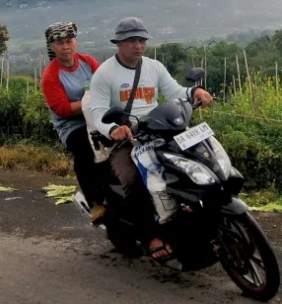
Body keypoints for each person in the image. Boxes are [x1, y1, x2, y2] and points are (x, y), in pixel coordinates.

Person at [89, 17, 213, 261]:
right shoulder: (104, 74)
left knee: (198, 163)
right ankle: (150, 236)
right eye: (132, 40)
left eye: (142, 40)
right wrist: (114, 129)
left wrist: (194, 92)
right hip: (126, 141)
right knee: (135, 182)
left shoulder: (154, 67)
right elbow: (97, 112)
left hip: (160, 132)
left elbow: (175, 91)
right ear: (119, 43)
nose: (138, 45)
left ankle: (196, 219)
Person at [40, 21, 107, 224]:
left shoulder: (87, 62)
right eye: (60, 43)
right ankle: (95, 203)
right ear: (52, 47)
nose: (65, 46)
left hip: (97, 117)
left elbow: (106, 82)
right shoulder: (51, 76)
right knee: (86, 149)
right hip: (73, 126)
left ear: (76, 42)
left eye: (69, 41)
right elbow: (61, 109)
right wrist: (88, 101)